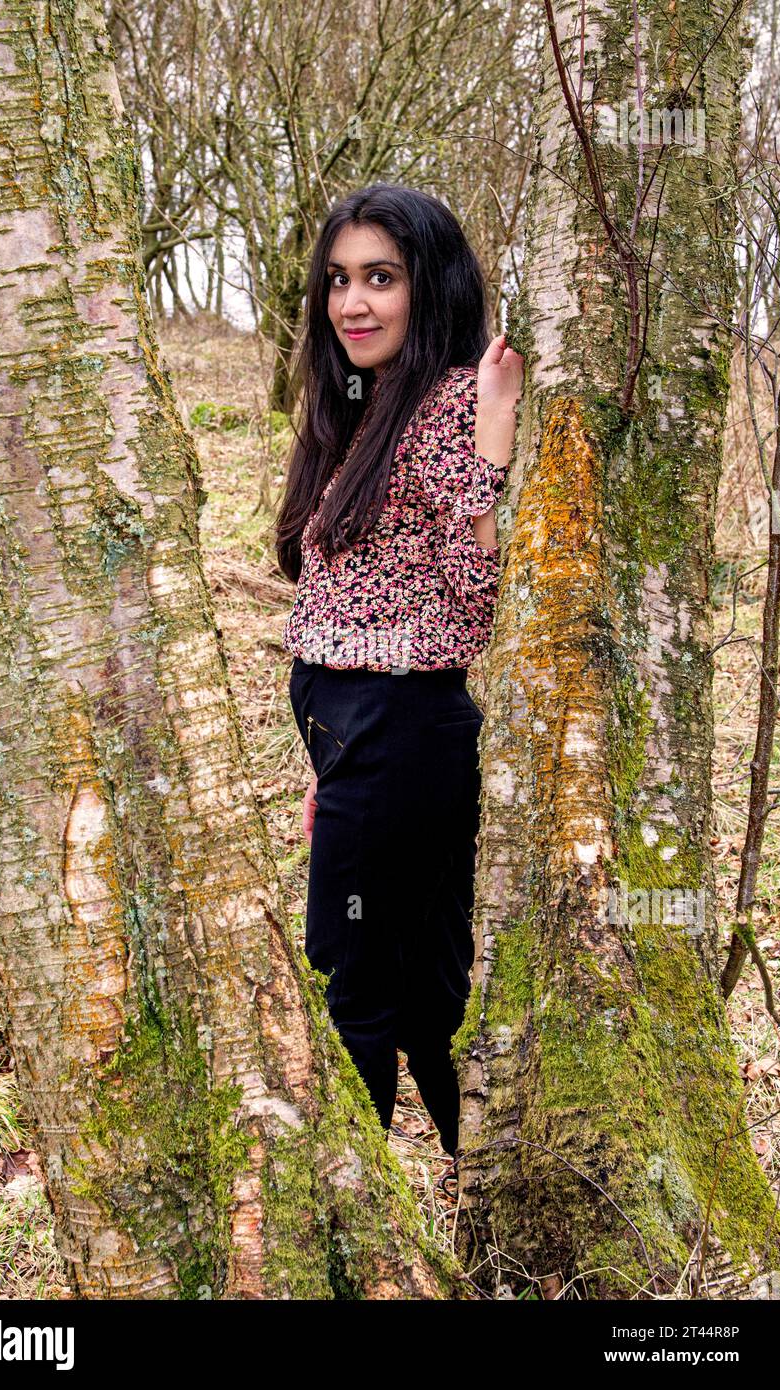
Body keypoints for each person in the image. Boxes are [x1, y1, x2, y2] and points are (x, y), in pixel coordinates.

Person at [275, 182, 523, 1163]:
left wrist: (491, 445)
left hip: (397, 729)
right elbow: (347, 593)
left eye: (380, 277)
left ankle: (363, 1218)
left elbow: (469, 604)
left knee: (357, 973)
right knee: (418, 974)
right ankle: (474, 1181)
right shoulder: (357, 402)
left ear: (429, 285)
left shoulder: (448, 404)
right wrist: (325, 765)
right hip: (362, 737)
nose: (352, 303)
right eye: (338, 280)